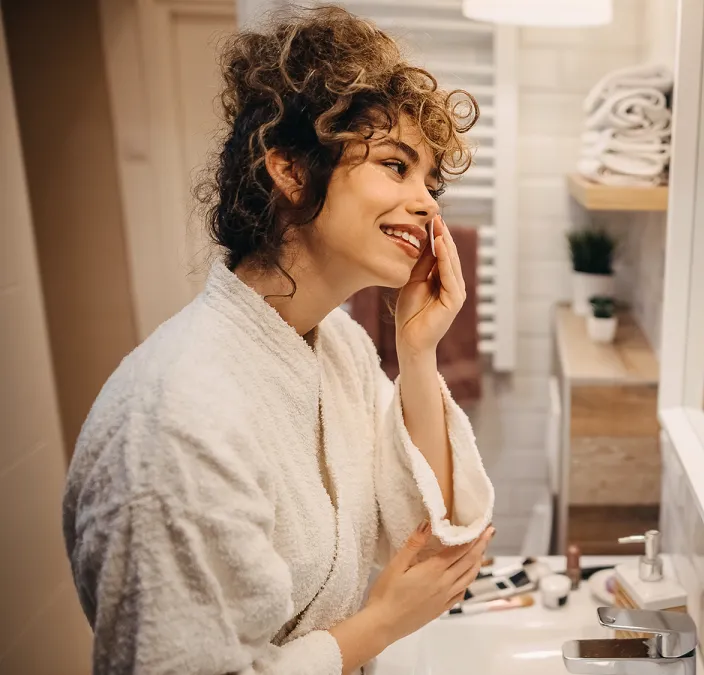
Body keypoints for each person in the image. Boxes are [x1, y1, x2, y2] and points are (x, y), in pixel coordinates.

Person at [61, 6, 495, 674]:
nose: (428, 202)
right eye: (395, 165)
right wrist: (375, 626)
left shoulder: (339, 347)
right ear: (290, 171)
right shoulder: (173, 417)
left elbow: (418, 529)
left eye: (430, 182)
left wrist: (417, 351)